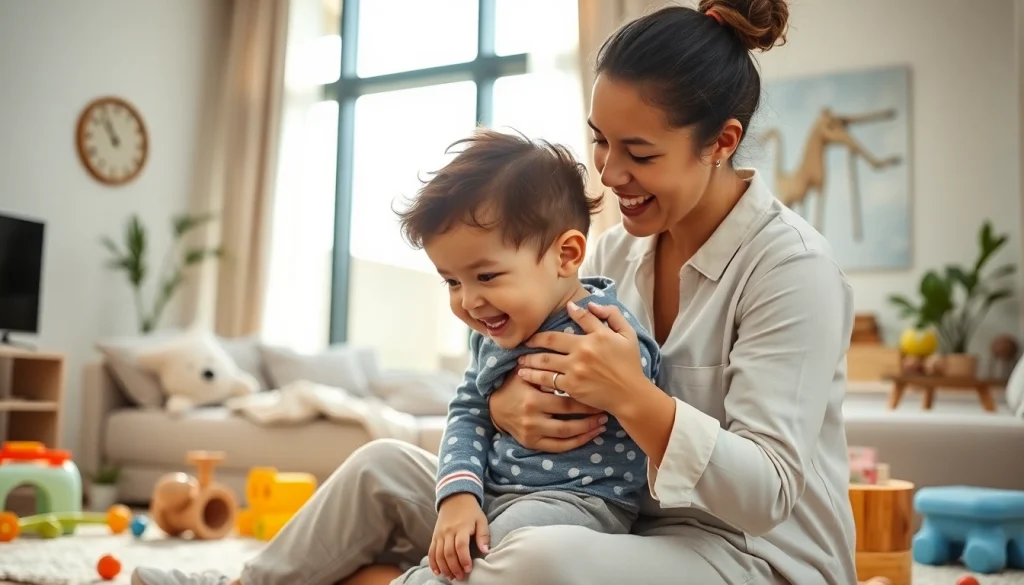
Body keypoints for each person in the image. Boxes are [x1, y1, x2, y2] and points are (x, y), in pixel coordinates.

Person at [132, 1, 894, 584]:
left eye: (639, 152)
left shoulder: (792, 271)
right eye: (599, 138)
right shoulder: (620, 247)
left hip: (749, 554)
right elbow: (531, 377)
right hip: (625, 523)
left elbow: (766, 495)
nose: (610, 171)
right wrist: (502, 405)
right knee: (382, 465)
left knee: (535, 560)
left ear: (721, 142)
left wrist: (635, 396)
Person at [389, 128, 662, 584]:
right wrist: (458, 495)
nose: (470, 302)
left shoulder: (604, 330)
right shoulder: (496, 332)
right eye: (453, 282)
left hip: (576, 502)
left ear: (567, 255)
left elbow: (642, 386)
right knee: (377, 469)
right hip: (495, 492)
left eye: (487, 275)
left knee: (480, 560)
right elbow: (467, 413)